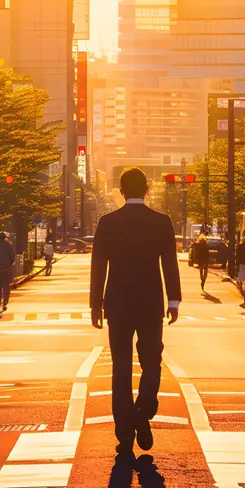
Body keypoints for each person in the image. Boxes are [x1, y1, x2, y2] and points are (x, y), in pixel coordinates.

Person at [90, 166, 182, 454]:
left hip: (116, 302)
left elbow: (98, 266)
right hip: (150, 302)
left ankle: (124, 430)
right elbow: (170, 263)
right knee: (151, 361)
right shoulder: (161, 222)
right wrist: (174, 300)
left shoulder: (108, 222)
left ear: (121, 191)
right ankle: (143, 410)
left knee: (120, 366)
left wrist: (95, 303)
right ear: (147, 190)